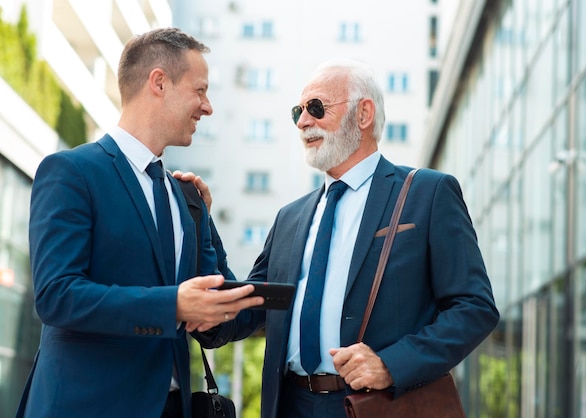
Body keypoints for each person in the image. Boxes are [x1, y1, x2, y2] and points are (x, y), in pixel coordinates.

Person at [196, 59, 500, 418]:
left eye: (316, 108)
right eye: (298, 111)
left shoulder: (428, 194)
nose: (303, 122)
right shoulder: (289, 218)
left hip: (379, 405)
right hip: (290, 405)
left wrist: (391, 365)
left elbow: (474, 308)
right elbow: (244, 310)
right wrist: (200, 222)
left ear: (364, 114)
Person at [15, 27, 263, 418]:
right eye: (200, 90)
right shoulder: (71, 172)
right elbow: (57, 295)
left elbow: (219, 307)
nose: (208, 106)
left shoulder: (188, 198)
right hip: (86, 407)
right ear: (159, 83)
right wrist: (173, 305)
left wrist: (279, 286)